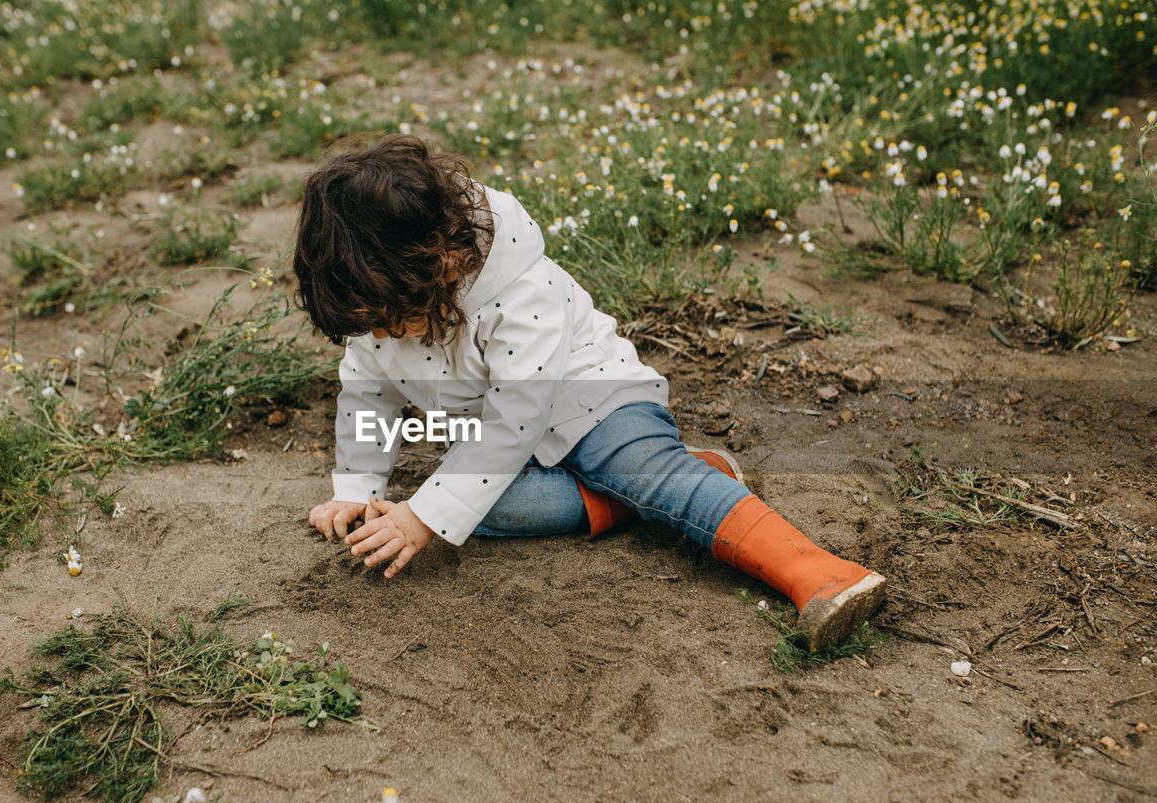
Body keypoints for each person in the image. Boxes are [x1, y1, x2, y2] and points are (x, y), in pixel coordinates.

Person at [294, 135, 885, 651]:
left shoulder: (521, 290)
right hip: (499, 439)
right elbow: (367, 396)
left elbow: (514, 422)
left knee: (626, 467)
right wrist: (358, 489)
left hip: (598, 404)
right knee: (458, 508)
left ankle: (817, 573)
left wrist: (424, 516)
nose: (377, 335)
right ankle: (666, 487)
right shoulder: (382, 302)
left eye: (389, 318)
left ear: (442, 262)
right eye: (364, 323)